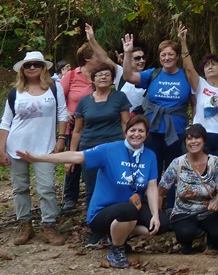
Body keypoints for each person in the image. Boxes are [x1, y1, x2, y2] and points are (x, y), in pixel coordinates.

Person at [17, 115, 166, 268]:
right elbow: (76, 156)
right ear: (125, 132)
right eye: (132, 130)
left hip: (130, 210)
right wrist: (38, 158)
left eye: (141, 131)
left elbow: (152, 187)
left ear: (147, 135)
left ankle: (116, 234)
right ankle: (116, 250)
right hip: (102, 212)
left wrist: (155, 214)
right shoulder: (109, 149)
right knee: (129, 211)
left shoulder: (150, 155)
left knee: (162, 223)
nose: (136, 134)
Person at [0, 51, 68, 246]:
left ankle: (49, 225)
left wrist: (61, 137)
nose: (32, 68)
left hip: (44, 147)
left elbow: (62, 113)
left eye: (36, 64)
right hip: (16, 146)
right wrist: (1, 149)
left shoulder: (54, 89)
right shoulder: (16, 92)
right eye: (28, 65)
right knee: (20, 188)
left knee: (46, 188)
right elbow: (6, 122)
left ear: (43, 67)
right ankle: (25, 224)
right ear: (22, 68)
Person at [122, 32, 191, 207]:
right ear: (159, 58)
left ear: (177, 57)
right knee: (151, 169)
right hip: (151, 131)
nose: (167, 58)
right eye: (163, 55)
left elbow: (195, 102)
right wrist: (128, 53)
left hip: (176, 132)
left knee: (174, 169)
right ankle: (151, 209)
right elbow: (128, 76)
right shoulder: (153, 74)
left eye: (170, 54)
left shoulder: (186, 76)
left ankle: (173, 208)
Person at [69, 63, 131, 247]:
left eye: (106, 74)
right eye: (99, 75)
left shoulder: (120, 97)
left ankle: (115, 231)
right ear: (92, 79)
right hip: (90, 150)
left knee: (117, 188)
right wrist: (72, 155)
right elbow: (77, 131)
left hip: (115, 150)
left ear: (112, 79)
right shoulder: (84, 101)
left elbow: (125, 124)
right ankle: (95, 230)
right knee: (91, 191)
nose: (103, 77)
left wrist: (129, 148)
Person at [159, 124, 218, 255]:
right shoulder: (178, 163)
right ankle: (187, 244)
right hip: (184, 211)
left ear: (204, 140)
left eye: (197, 138)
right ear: (185, 142)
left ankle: (211, 241)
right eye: (189, 139)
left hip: (209, 210)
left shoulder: (214, 162)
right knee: (185, 233)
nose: (193, 142)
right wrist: (157, 215)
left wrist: (217, 201)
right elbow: (161, 190)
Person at [179, 25, 218, 164]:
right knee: (201, 171)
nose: (210, 67)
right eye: (207, 65)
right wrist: (183, 44)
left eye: (213, 64)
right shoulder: (200, 84)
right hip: (201, 135)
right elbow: (189, 69)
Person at [61, 40, 103, 211]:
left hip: (95, 127)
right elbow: (58, 99)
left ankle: (93, 195)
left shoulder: (101, 76)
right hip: (74, 127)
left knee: (92, 162)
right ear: (87, 58)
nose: (99, 59)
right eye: (96, 56)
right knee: (73, 162)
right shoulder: (71, 76)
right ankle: (70, 197)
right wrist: (67, 113)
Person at [84, 24, 147, 113]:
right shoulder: (121, 73)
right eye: (137, 58)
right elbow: (104, 58)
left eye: (143, 57)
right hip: (122, 121)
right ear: (128, 59)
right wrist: (92, 39)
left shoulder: (149, 75)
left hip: (142, 122)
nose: (141, 61)